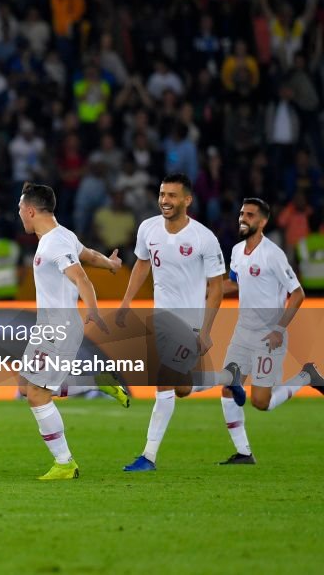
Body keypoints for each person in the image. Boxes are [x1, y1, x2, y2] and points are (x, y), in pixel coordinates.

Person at [116, 174, 233, 472]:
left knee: (163, 383)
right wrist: (127, 301)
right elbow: (142, 263)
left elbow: (217, 287)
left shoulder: (203, 238)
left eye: (171, 196)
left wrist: (206, 331)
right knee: (181, 389)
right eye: (162, 194)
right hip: (160, 318)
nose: (165, 200)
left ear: (187, 200)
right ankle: (228, 378)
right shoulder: (148, 228)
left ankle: (148, 457)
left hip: (189, 322)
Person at [17, 183, 121, 480]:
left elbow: (81, 277)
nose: (20, 215)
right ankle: (95, 382)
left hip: (57, 327)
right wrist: (111, 263)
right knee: (26, 384)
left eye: (21, 210)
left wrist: (93, 310)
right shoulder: (63, 236)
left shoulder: (54, 244)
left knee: (37, 394)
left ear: (31, 210)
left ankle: (65, 463)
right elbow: (88, 255)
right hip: (48, 326)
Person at [218, 198, 324, 464]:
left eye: (250, 215)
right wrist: (207, 289)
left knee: (261, 402)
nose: (243, 218)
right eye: (242, 213)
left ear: (263, 222)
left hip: (269, 336)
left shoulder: (273, 254)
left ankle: (306, 376)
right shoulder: (237, 251)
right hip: (243, 331)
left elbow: (297, 293)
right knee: (228, 388)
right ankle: (244, 453)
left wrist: (279, 328)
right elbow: (235, 283)